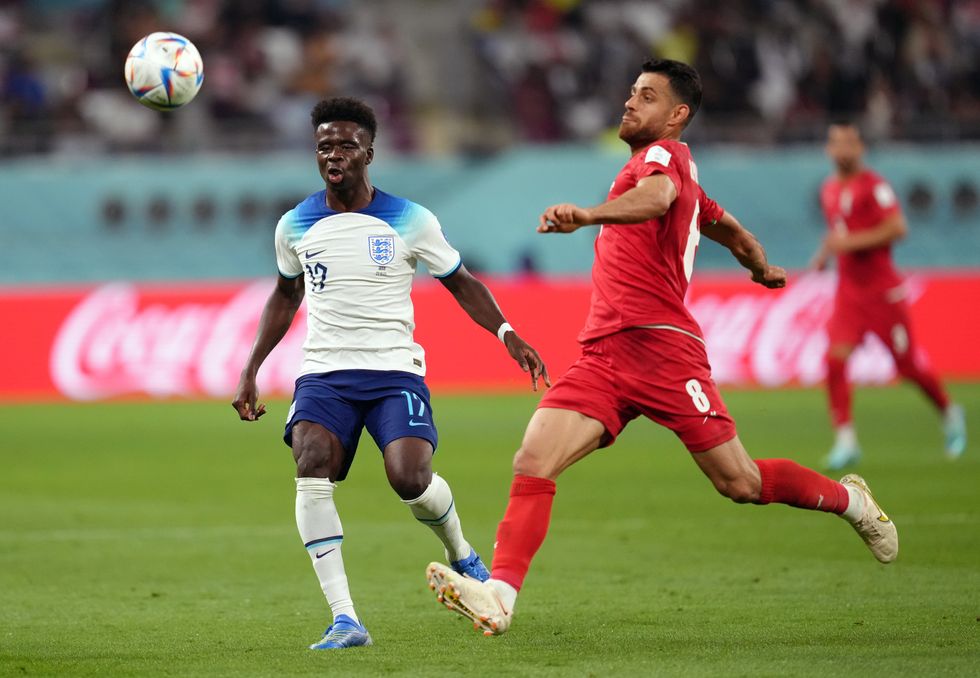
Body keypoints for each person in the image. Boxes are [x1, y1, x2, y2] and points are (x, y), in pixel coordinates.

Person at [424, 59, 898, 637]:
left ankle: (850, 502)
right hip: (604, 353)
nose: (629, 103)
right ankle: (500, 595)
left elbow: (657, 197)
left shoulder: (666, 159)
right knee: (533, 459)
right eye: (630, 92)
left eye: (645, 96)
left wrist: (589, 215)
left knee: (740, 483)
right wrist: (761, 267)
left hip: (663, 350)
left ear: (676, 116)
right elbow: (731, 230)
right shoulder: (675, 179)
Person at [232, 97, 549, 650]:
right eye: (324, 145)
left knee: (410, 478)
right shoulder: (295, 224)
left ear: (369, 152)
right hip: (324, 374)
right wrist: (252, 368)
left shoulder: (410, 218)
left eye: (346, 145)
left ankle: (461, 553)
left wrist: (506, 333)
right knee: (310, 462)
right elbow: (285, 296)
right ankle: (345, 619)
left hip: (393, 372)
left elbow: (461, 282)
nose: (334, 154)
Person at [811, 123, 966, 470]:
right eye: (836, 143)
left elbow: (897, 228)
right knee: (835, 361)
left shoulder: (875, 186)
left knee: (906, 367)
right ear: (829, 150)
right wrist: (825, 255)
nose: (843, 149)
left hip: (883, 293)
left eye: (849, 142)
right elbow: (839, 231)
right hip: (849, 293)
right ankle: (846, 440)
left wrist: (846, 244)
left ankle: (949, 411)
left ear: (860, 148)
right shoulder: (830, 189)